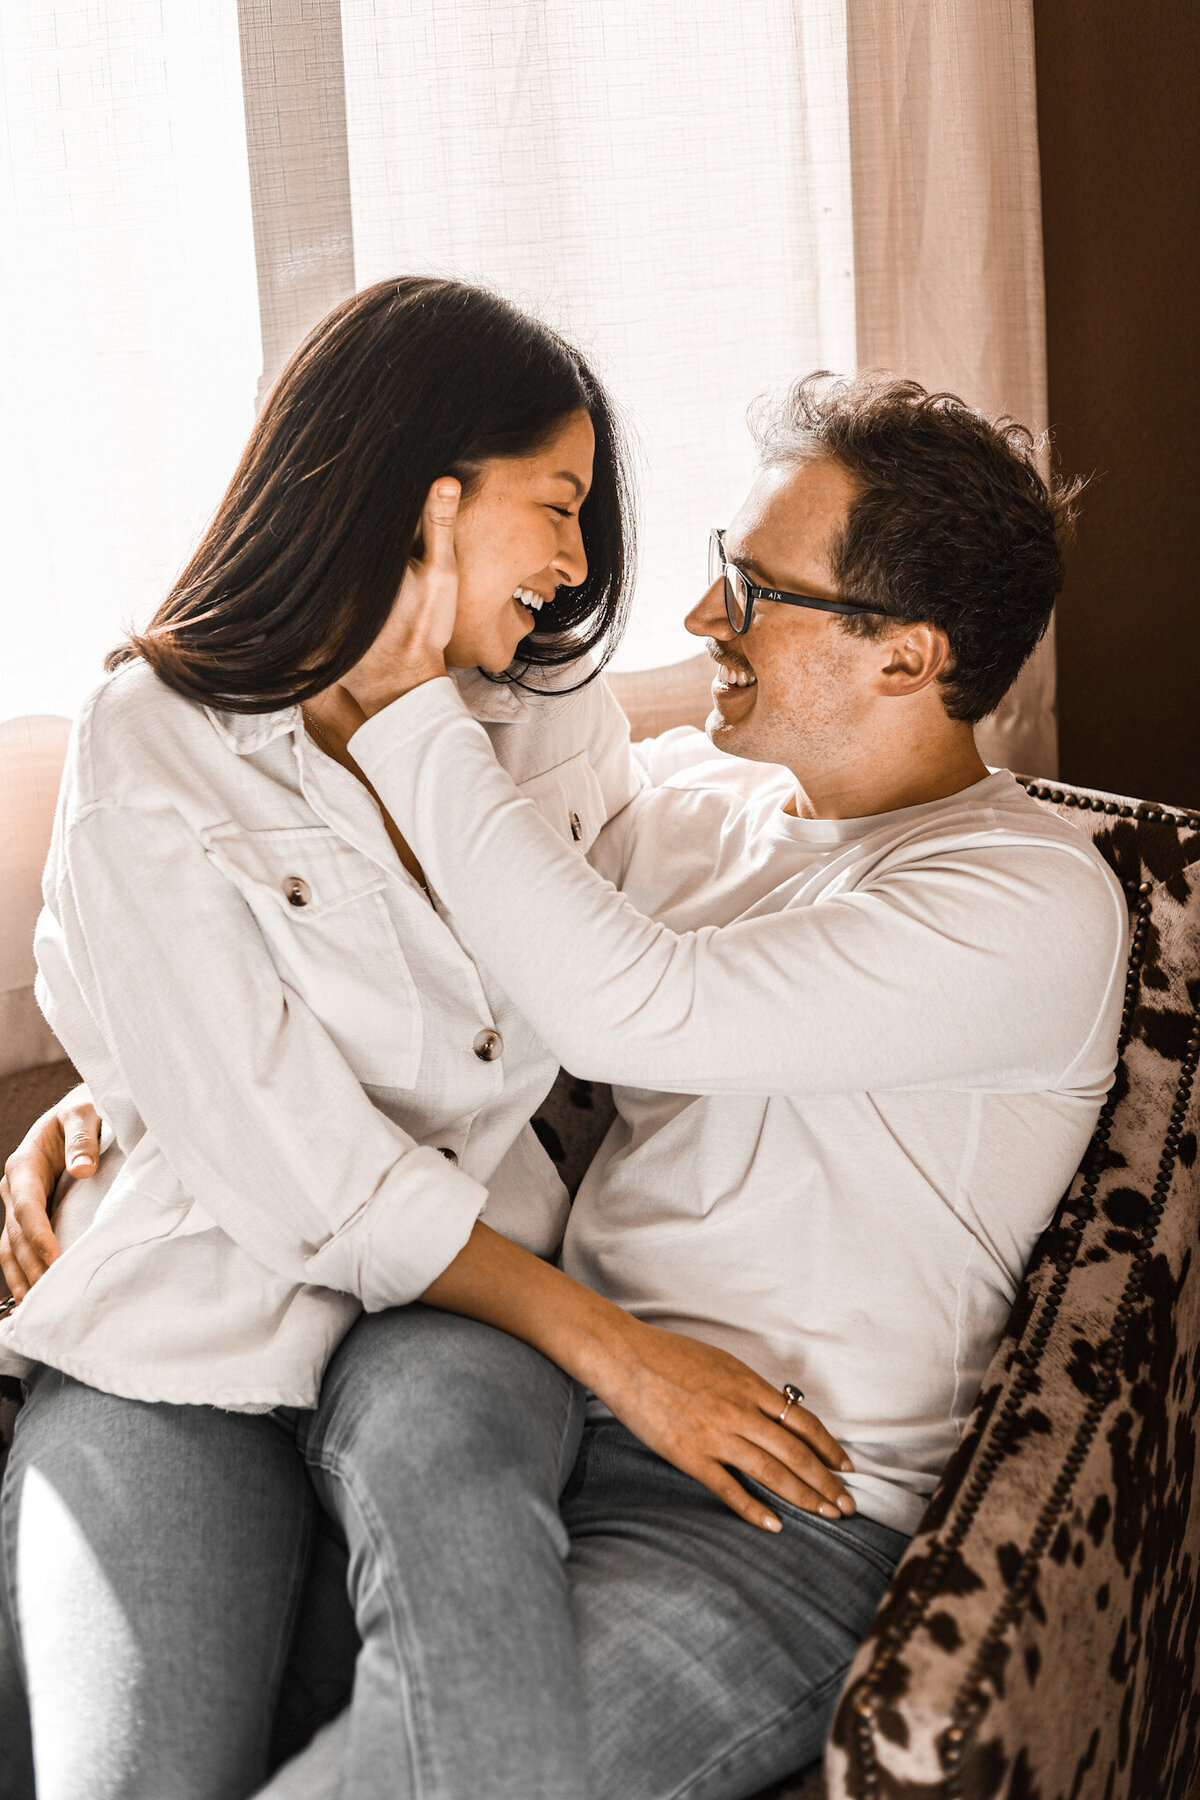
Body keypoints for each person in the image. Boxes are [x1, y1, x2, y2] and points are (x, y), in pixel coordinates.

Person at [2, 374, 1126, 1800]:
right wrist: (135, 1084)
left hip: (759, 1512)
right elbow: (404, 961)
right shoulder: (697, 804)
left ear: (906, 657)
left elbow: (638, 1009)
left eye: (753, 587)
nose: (704, 619)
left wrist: (415, 707)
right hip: (532, 1391)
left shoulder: (1029, 904)